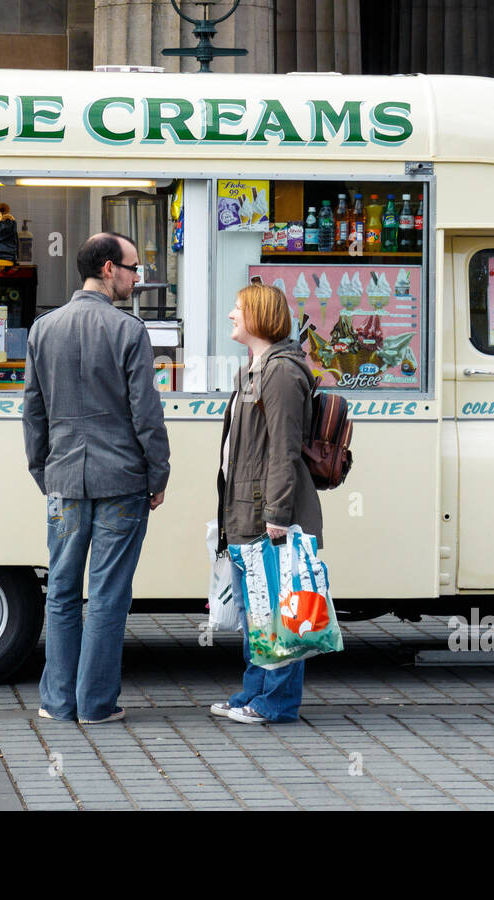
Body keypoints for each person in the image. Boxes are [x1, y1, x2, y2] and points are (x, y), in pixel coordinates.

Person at [23, 232, 171, 724]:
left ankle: (57, 702)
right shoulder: (129, 331)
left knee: (62, 592)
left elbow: (33, 412)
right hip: (122, 480)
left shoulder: (44, 328)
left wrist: (44, 470)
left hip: (65, 480)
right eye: (132, 268)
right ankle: (96, 704)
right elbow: (145, 414)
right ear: (109, 269)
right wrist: (158, 473)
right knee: (108, 595)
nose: (136, 278)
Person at [213, 281, 322, 725]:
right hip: (245, 510)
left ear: (258, 315)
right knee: (256, 612)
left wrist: (277, 514)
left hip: (266, 515)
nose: (231, 316)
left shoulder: (280, 372)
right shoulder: (258, 367)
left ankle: (275, 703)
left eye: (237, 308)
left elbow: (284, 449)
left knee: (278, 613)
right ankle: (253, 694)